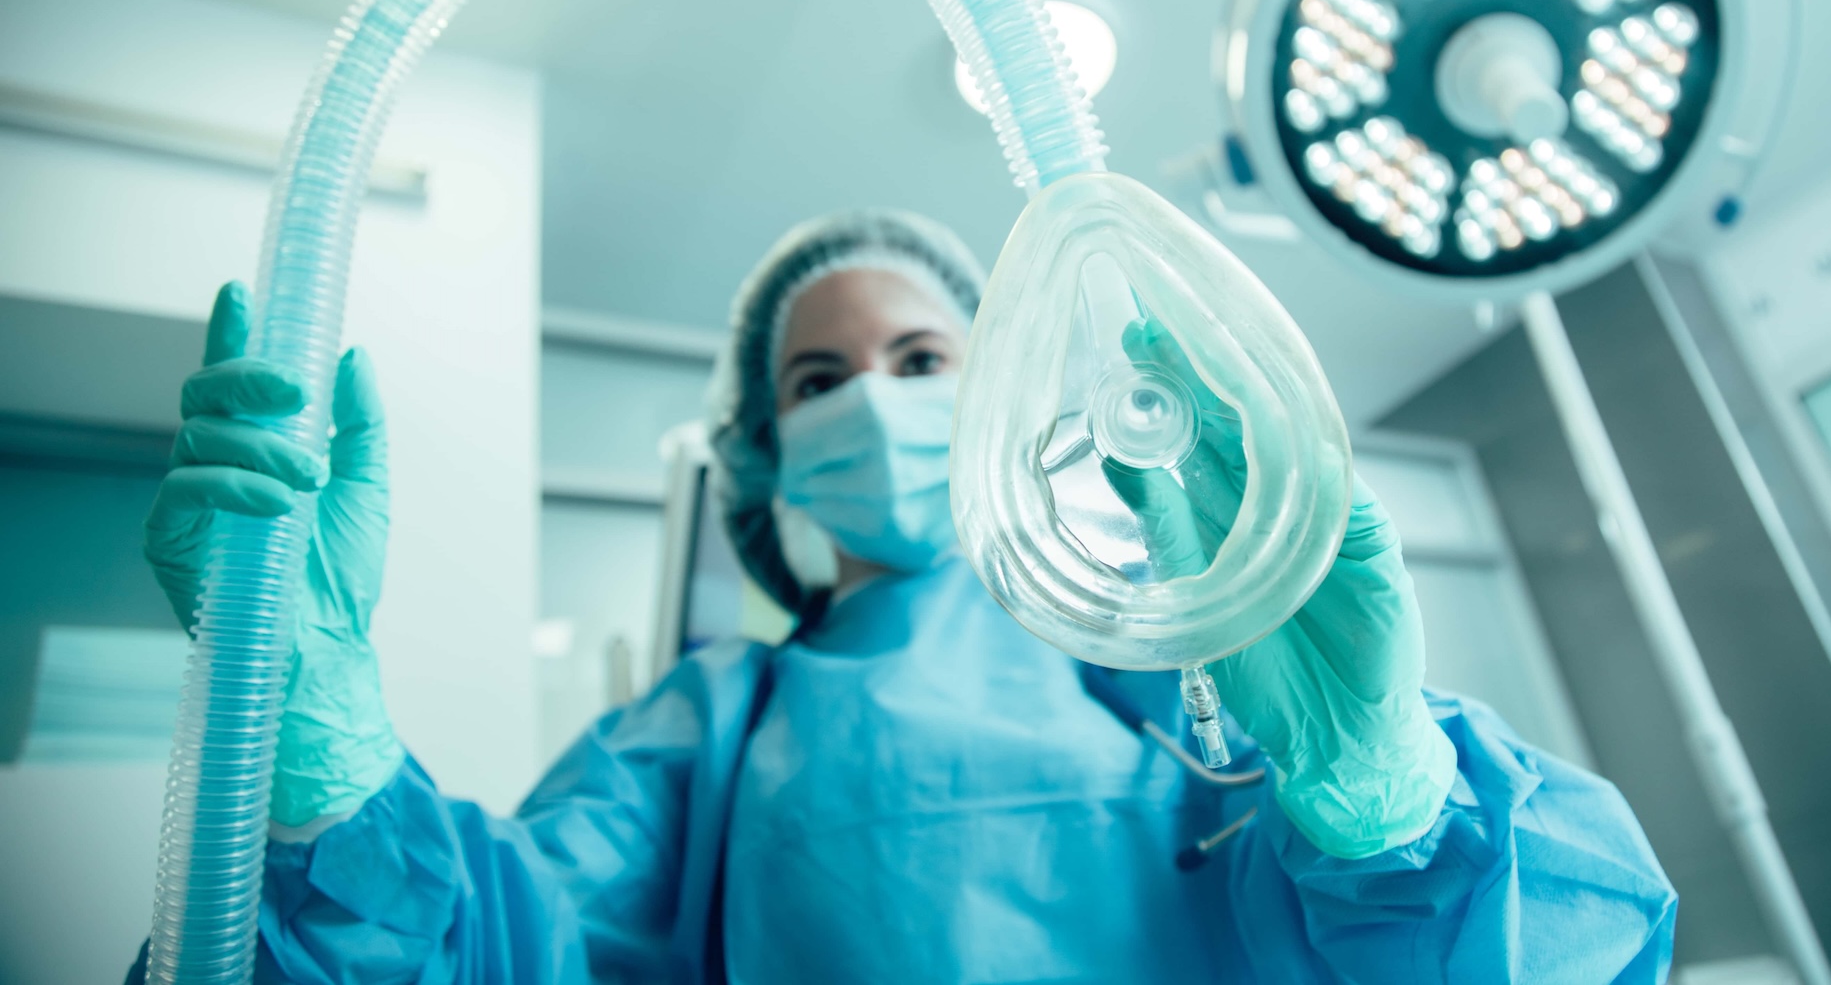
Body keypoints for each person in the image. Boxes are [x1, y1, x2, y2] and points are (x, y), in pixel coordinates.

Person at [133, 209, 1676, 983]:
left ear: (1006, 389)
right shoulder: (711, 729)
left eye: (925, 362)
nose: (873, 400)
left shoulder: (1178, 662)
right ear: (763, 456)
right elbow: (491, 954)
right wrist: (319, 769)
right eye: (821, 377)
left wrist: (1385, 808)